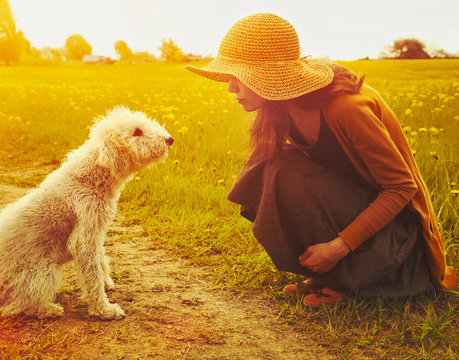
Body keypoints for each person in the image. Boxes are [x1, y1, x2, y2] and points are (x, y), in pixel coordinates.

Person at [186, 13, 456, 306]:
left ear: (268, 77)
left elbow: (401, 189)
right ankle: (326, 272)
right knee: (272, 164)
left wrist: (339, 246)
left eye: (238, 77)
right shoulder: (282, 110)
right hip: (359, 212)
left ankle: (348, 278)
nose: (230, 87)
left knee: (282, 169)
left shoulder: (347, 108)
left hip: (399, 242)